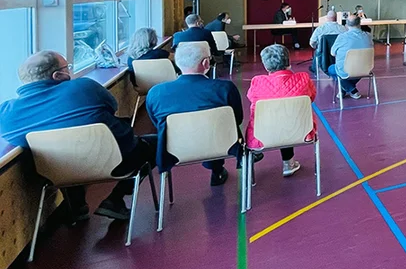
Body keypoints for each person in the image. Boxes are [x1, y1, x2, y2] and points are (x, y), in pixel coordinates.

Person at [0, 51, 157, 221]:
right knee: (158, 142)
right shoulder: (84, 87)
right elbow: (112, 106)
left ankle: (77, 207)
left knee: (62, 152)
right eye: (67, 67)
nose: (70, 71)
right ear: (58, 75)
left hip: (57, 172)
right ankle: (115, 199)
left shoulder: (6, 113)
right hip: (117, 162)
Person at [145, 42, 243, 186]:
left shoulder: (156, 93)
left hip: (174, 147)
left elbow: (157, 122)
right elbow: (237, 119)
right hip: (222, 143)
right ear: (206, 63)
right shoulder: (225, 88)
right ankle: (217, 170)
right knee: (215, 127)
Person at [246, 44, 317, 177]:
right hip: (300, 130)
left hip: (263, 133)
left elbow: (251, 97)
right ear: (288, 61)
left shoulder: (257, 82)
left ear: (266, 66)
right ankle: (288, 163)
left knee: (279, 118)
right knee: (287, 117)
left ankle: (250, 172)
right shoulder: (304, 78)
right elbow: (311, 97)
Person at [329, 16, 375, 97]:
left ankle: (352, 90)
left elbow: (332, 53)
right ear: (359, 23)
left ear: (346, 25)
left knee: (331, 69)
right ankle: (345, 90)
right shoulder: (368, 36)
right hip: (365, 69)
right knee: (355, 71)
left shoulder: (342, 37)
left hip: (346, 70)